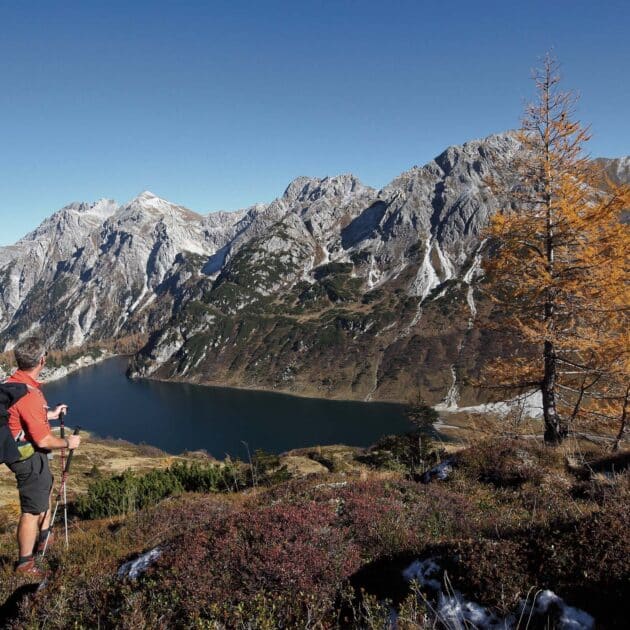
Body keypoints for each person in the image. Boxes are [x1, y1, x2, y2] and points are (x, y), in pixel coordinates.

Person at [5, 336, 81, 577]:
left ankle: (46, 537)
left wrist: (50, 414)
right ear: (42, 361)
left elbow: (21, 416)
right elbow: (43, 440)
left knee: (43, 493)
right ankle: (25, 564)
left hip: (21, 452)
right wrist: (69, 442)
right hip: (28, 458)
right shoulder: (30, 395)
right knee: (32, 510)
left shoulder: (13, 383)